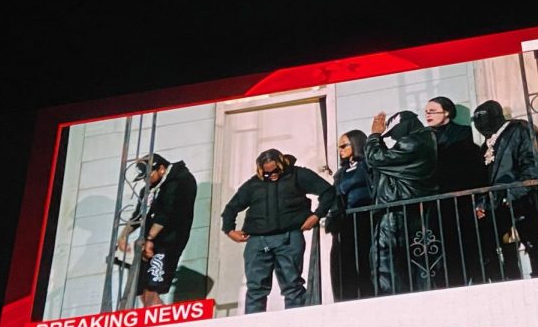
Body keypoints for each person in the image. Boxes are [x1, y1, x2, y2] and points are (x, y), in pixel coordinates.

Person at [222, 149, 335, 314]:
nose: (272, 175)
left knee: (293, 287)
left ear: (282, 164)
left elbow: (328, 191)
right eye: (267, 174)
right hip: (257, 242)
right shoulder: (253, 184)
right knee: (255, 290)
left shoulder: (298, 175)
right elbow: (230, 208)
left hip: (289, 238)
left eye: (276, 171)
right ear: (261, 172)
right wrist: (229, 230)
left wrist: (317, 215)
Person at [472, 100, 538, 280]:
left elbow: (533, 162)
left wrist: (514, 193)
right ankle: (509, 280)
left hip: (523, 197)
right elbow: (487, 177)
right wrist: (483, 203)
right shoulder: (488, 144)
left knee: (530, 238)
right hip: (499, 201)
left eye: (483, 118)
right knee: (498, 242)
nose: (480, 124)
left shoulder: (519, 130)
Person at [365, 110, 438, 294]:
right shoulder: (424, 141)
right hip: (408, 208)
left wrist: (374, 136)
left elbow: (376, 158)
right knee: (411, 260)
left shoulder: (413, 142)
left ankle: (390, 299)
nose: (394, 139)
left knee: (384, 257)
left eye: (393, 133)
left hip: (397, 208)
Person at [116, 153, 198, 307]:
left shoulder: (181, 179)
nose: (147, 181)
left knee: (153, 288)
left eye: (148, 176)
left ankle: (161, 326)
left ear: (161, 169)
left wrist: (150, 239)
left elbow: (167, 213)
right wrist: (123, 236)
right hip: (149, 242)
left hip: (167, 243)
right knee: (141, 291)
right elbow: (139, 215)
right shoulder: (151, 189)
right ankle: (153, 319)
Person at [423, 96, 486, 286]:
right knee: (441, 247)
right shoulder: (424, 137)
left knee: (466, 245)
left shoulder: (463, 133)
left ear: (447, 112)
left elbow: (473, 168)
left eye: (432, 110)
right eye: (426, 111)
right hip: (436, 202)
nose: (428, 114)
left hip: (461, 199)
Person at [325, 130, 374, 301]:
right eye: (339, 146)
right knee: (343, 263)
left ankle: (368, 295)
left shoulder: (368, 165)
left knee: (364, 260)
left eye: (344, 145)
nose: (340, 149)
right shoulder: (341, 172)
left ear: (356, 143)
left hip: (364, 218)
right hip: (345, 222)